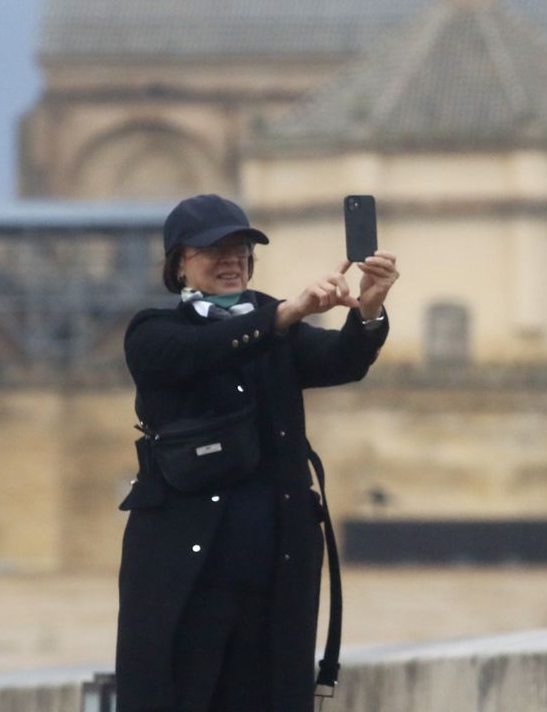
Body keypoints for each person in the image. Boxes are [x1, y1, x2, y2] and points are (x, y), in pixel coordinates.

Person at [114, 193, 398, 712]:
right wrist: (288, 313)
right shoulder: (154, 332)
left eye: (241, 249)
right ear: (178, 264)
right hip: (186, 571)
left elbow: (340, 361)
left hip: (275, 565)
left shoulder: (273, 322)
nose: (232, 261)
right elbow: (203, 352)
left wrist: (371, 309)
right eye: (214, 250)